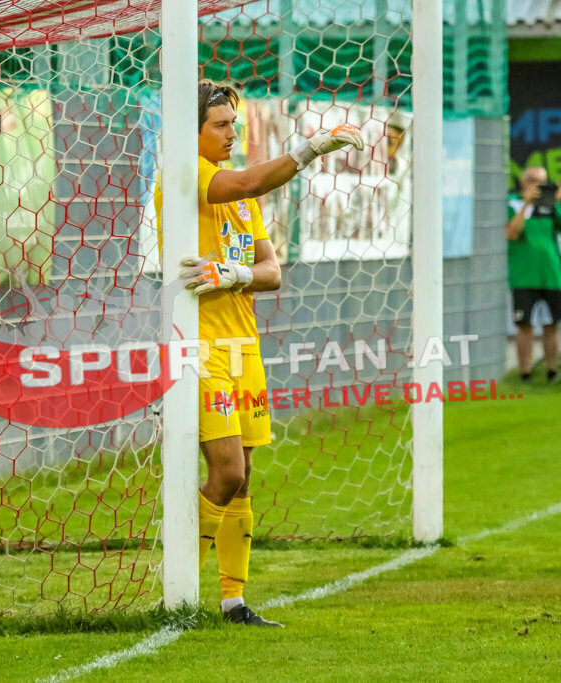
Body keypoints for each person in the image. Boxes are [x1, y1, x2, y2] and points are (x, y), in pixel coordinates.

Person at [155, 81, 364, 627]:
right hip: (198, 349)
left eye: (233, 123)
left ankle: (232, 601)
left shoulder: (243, 203)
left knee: (244, 474)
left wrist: (237, 273)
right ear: (191, 131)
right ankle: (177, 594)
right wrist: (310, 149)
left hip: (243, 346)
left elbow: (272, 271)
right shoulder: (188, 180)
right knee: (223, 470)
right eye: (220, 125)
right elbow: (247, 178)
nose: (232, 133)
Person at [505, 166, 561, 382]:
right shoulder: (513, 203)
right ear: (523, 182)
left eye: (542, 181)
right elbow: (511, 233)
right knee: (524, 326)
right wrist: (527, 204)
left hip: (551, 274)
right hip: (524, 276)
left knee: (552, 324)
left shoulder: (551, 206)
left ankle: (552, 370)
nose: (537, 186)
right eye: (532, 180)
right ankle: (525, 373)